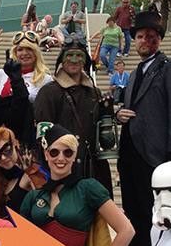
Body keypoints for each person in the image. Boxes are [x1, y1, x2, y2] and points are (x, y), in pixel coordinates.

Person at [115, 10, 171, 246]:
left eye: (153, 37)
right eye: (142, 36)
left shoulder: (170, 68)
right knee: (133, 207)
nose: (147, 41)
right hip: (131, 149)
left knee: (153, 209)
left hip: (156, 152)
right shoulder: (133, 74)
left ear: (159, 40)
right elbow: (130, 108)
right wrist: (118, 114)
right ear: (135, 40)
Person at [34, 39, 113, 193]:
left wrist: (107, 113)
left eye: (79, 55)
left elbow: (102, 138)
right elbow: (43, 138)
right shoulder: (49, 92)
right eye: (70, 55)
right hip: (64, 169)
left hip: (93, 169)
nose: (75, 60)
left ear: (85, 60)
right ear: (61, 60)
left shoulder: (94, 92)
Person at [0, 26, 52, 104]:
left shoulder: (46, 80)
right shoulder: (2, 74)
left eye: (29, 49)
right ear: (15, 53)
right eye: (20, 49)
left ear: (36, 52)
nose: (24, 53)